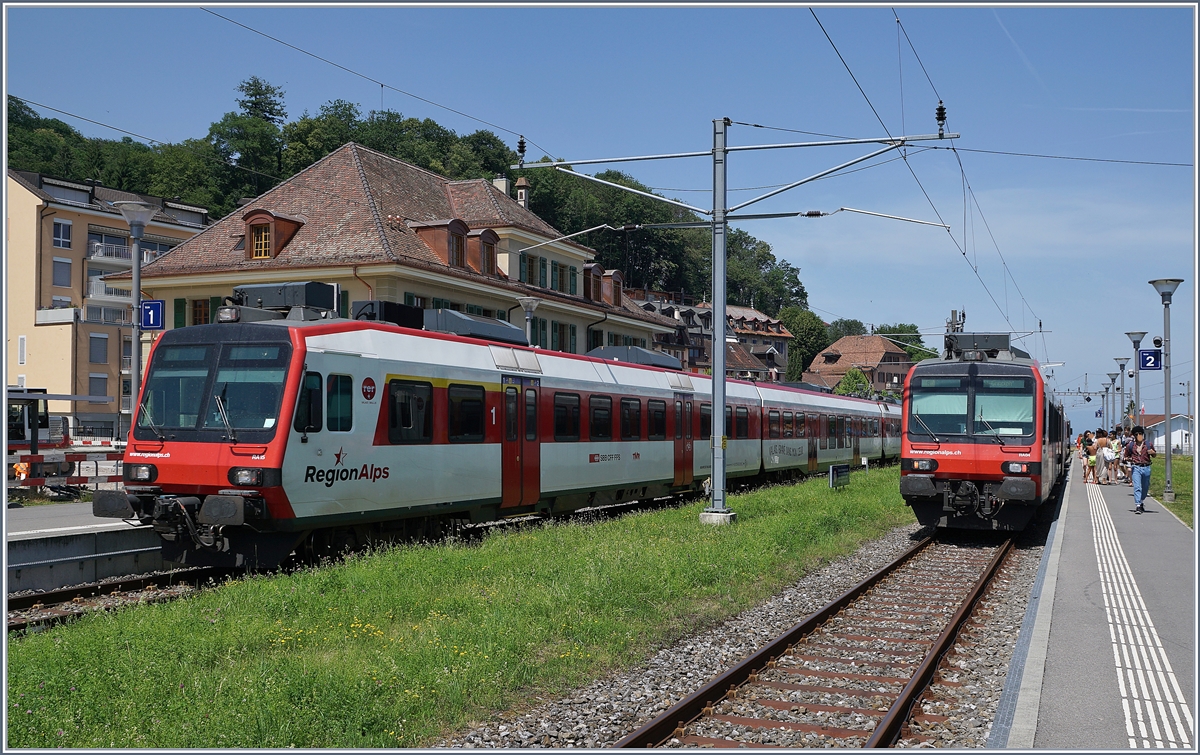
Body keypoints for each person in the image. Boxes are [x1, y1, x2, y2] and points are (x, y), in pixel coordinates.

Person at [1127, 425, 1156, 514]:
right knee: (1137, 487)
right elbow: (1126, 456)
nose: (1139, 435)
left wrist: (1153, 453)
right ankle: (1138, 505)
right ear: (1134, 436)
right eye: (1136, 434)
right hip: (1136, 467)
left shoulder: (1148, 444)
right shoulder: (1131, 445)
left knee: (1145, 486)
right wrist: (1129, 459)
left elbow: (1154, 455)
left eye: (1140, 433)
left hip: (1146, 467)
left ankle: (1141, 500)